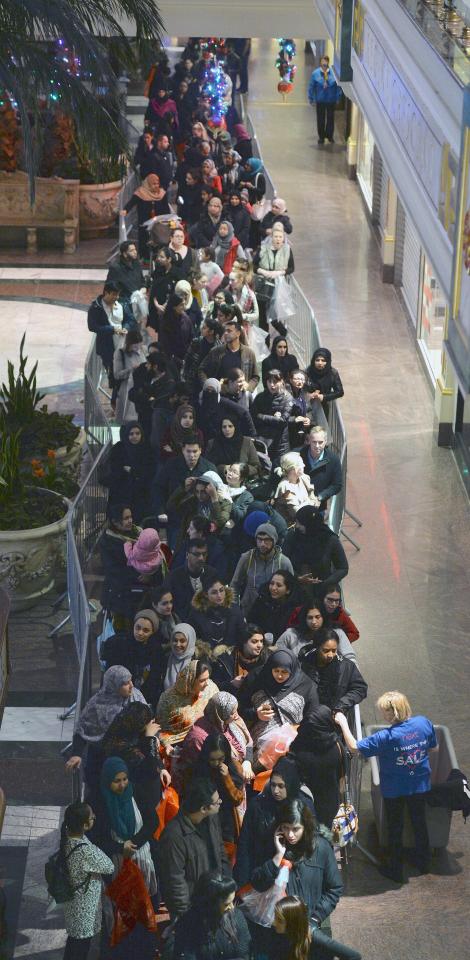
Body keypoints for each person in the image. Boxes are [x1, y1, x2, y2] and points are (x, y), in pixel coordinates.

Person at [335, 692, 438, 883]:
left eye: (384, 712)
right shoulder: (423, 723)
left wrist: (342, 722)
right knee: (419, 822)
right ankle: (424, 863)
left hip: (395, 789)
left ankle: (395, 869)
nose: (383, 715)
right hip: (420, 784)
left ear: (391, 714)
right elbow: (433, 748)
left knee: (395, 827)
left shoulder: (386, 737)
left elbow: (354, 747)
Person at [249, 800, 342, 954]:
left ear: (305, 826)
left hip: (310, 928)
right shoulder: (270, 847)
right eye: (285, 828)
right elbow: (258, 883)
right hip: (279, 932)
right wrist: (278, 856)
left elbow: (334, 888)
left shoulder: (321, 848)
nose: (290, 835)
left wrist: (315, 918)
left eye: (296, 829)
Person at [234, 755, 314, 887]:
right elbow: (245, 845)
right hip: (262, 876)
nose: (276, 791)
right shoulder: (258, 806)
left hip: (294, 880)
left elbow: (311, 845)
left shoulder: (303, 806)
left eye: (281, 786)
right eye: (273, 785)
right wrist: (242, 885)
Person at [157, 778, 230, 920]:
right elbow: (175, 883)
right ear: (203, 808)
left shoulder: (211, 819)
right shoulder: (174, 836)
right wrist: (186, 918)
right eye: (216, 802)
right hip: (192, 910)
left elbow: (221, 853)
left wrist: (226, 888)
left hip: (215, 899)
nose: (220, 802)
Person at [64, 667, 147, 787]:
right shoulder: (97, 704)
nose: (131, 685)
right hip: (101, 761)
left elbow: (147, 725)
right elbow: (82, 729)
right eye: (125, 683)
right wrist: (77, 754)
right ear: (113, 685)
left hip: (129, 761)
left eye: (131, 680)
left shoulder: (136, 698)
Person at [91, 756, 158, 898]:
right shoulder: (97, 802)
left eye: (124, 779)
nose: (122, 785)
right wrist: (120, 848)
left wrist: (133, 843)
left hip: (142, 859)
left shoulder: (136, 792)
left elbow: (152, 821)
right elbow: (96, 838)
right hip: (115, 863)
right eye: (116, 781)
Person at [237, 650, 319, 766]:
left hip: (290, 747)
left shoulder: (306, 686)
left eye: (284, 672)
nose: (279, 675)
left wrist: (294, 730)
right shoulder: (256, 678)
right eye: (276, 671)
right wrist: (256, 714)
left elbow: (313, 718)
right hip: (256, 747)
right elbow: (239, 710)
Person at [60, 801, 114, 960]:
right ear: (84, 825)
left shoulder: (68, 839)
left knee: (73, 944)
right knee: (80, 950)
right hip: (85, 912)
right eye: (91, 817)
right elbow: (109, 866)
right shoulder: (85, 850)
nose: (94, 817)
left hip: (73, 906)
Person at [173, 872, 252, 960]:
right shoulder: (188, 923)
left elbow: (244, 953)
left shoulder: (237, 916)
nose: (232, 907)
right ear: (211, 903)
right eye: (226, 904)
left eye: (232, 902)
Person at [101, 701, 169, 801]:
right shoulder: (119, 745)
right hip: (132, 795)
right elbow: (150, 769)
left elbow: (153, 759)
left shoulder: (133, 732)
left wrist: (161, 768)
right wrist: (150, 738)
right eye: (147, 723)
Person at [290, 707, 345, 830]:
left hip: (304, 800)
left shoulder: (302, 745)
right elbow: (342, 773)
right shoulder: (336, 745)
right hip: (330, 800)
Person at [101, 609, 163, 709]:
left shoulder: (156, 650)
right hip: (119, 697)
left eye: (146, 630)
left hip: (143, 697)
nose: (140, 633)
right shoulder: (118, 644)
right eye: (137, 628)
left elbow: (154, 681)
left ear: (152, 632)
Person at [231, 522, 294, 614]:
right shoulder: (247, 558)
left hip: (274, 613)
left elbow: (292, 589)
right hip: (248, 611)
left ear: (274, 540)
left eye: (267, 540)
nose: (262, 544)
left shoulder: (284, 562)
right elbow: (234, 584)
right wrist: (235, 608)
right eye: (259, 540)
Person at [272, 895, 361, 960]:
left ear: (292, 922)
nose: (274, 923)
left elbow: (354, 956)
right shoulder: (286, 934)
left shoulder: (316, 937)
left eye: (279, 920)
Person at [283, 506, 349, 590]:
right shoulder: (293, 536)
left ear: (310, 524)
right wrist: (297, 578)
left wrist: (325, 583)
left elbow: (343, 568)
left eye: (300, 523)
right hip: (294, 586)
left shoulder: (329, 540)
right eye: (296, 522)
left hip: (322, 588)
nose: (297, 526)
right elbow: (282, 561)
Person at [156, 659, 217, 749]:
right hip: (178, 745)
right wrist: (167, 745)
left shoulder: (211, 689)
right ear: (191, 680)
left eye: (208, 678)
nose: (207, 684)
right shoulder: (168, 698)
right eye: (202, 680)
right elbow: (160, 727)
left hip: (210, 739)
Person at [153, 437, 217, 520]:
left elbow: (218, 493)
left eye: (195, 451)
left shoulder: (209, 468)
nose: (191, 455)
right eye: (188, 451)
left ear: (200, 450)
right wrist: (160, 511)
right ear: (183, 450)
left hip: (200, 517)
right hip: (175, 514)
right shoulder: (171, 465)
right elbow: (158, 488)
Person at [168, 473, 233, 552]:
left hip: (212, 545)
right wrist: (183, 489)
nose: (199, 495)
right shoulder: (193, 501)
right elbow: (171, 507)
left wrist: (214, 498)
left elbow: (220, 521)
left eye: (203, 492)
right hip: (191, 542)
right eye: (197, 491)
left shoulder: (225, 503)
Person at [104, 422, 153, 522]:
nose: (134, 436)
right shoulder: (119, 448)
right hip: (121, 492)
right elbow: (115, 468)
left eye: (137, 433)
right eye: (131, 434)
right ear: (126, 435)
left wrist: (131, 470)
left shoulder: (146, 449)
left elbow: (148, 471)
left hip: (140, 493)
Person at [277, 601, 355, 662]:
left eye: (318, 617)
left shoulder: (337, 633)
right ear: (304, 618)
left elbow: (350, 658)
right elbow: (276, 655)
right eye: (310, 618)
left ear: (323, 617)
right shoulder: (291, 634)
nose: (314, 621)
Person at [189, 573, 247, 653]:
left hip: (232, 655)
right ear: (206, 594)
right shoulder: (197, 614)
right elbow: (192, 639)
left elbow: (242, 636)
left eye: (221, 590)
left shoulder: (235, 610)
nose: (219, 595)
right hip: (205, 656)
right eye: (214, 592)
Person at [162, 538, 218, 619]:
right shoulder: (173, 577)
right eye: (197, 554)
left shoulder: (212, 574)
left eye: (204, 554)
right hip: (182, 622)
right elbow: (166, 604)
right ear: (187, 555)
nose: (201, 558)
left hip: (207, 621)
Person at [199, 320, 259, 392]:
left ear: (238, 333)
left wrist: (248, 388)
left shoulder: (249, 353)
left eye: (229, 331)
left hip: (241, 395)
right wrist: (208, 385)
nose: (226, 333)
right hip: (220, 395)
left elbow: (255, 377)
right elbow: (202, 370)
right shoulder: (216, 351)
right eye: (225, 331)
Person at [121, 173, 171, 259]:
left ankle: (158, 256)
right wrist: (125, 210)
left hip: (158, 223)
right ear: (148, 184)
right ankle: (145, 257)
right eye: (154, 184)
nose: (156, 186)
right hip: (144, 221)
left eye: (157, 183)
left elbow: (166, 208)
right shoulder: (141, 193)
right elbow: (132, 202)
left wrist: (167, 219)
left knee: (158, 239)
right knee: (144, 238)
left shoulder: (162, 193)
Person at [252, 370, 295, 467]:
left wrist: (262, 416)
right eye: (269, 382)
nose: (272, 385)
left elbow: (283, 421)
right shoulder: (260, 397)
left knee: (280, 469)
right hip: (263, 440)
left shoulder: (287, 398)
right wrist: (273, 418)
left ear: (282, 381)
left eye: (275, 382)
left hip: (280, 442)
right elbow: (253, 417)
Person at [211, 624, 269, 694]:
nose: (259, 645)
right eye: (254, 642)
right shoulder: (225, 661)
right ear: (243, 642)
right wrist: (231, 684)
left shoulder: (267, 659)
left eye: (261, 641)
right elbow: (214, 687)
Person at [87, 282, 125, 383]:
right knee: (113, 376)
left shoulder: (120, 305)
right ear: (106, 293)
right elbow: (92, 326)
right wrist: (112, 329)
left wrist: (126, 327)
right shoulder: (96, 307)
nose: (116, 297)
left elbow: (129, 319)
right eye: (113, 294)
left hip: (122, 344)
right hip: (107, 348)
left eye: (118, 294)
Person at [247, 570, 300, 643]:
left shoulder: (294, 609)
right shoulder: (261, 600)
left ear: (288, 590)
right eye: (272, 584)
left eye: (279, 585)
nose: (273, 588)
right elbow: (250, 623)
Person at [300, 425, 343, 511]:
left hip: (319, 506)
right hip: (299, 502)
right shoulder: (299, 454)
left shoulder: (333, 459)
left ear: (326, 441)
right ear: (309, 441)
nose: (317, 446)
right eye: (314, 442)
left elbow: (337, 485)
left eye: (320, 442)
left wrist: (321, 496)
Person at [273, 452, 320, 523]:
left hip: (307, 521)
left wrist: (307, 504)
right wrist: (309, 503)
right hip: (291, 527)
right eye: (301, 464)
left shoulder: (303, 478)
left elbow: (315, 500)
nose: (304, 465)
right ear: (293, 468)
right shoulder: (285, 487)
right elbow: (297, 512)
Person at [106, 240, 145, 325]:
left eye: (135, 249)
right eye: (131, 251)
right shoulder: (116, 268)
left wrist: (143, 289)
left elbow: (142, 281)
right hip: (123, 305)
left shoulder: (137, 264)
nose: (135, 252)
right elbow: (109, 287)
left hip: (137, 304)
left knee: (136, 331)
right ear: (124, 254)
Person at [112, 329, 147, 423]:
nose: (137, 347)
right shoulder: (120, 353)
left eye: (139, 344)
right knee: (127, 420)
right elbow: (117, 374)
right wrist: (132, 370)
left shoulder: (142, 350)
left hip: (141, 388)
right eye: (135, 345)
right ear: (129, 343)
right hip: (126, 391)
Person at [308, 55, 342, 145]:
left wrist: (338, 97)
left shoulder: (333, 74)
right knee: (320, 119)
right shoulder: (315, 74)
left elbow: (338, 86)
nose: (324, 64)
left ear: (328, 63)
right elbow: (311, 86)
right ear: (320, 63)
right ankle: (321, 137)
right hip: (320, 99)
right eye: (323, 63)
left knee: (330, 118)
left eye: (326, 63)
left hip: (330, 100)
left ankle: (330, 135)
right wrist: (311, 98)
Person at [159, 292, 194, 368]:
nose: (184, 307)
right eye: (181, 305)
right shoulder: (165, 320)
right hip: (169, 359)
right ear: (174, 306)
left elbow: (191, 337)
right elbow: (164, 343)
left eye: (184, 304)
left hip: (183, 358)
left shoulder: (186, 319)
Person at [306, 348, 344, 418]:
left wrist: (324, 397)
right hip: (308, 406)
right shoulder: (308, 371)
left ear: (328, 361)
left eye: (323, 360)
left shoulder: (332, 373)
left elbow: (340, 392)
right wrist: (308, 395)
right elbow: (300, 389)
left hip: (323, 407)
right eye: (317, 360)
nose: (320, 363)